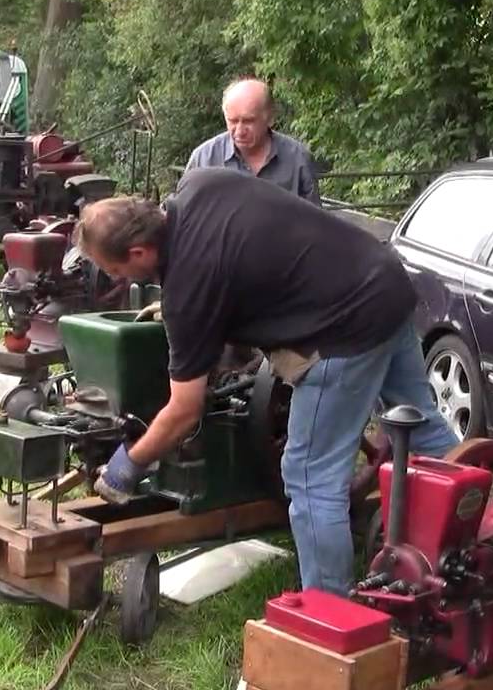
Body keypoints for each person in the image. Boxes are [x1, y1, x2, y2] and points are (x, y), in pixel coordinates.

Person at [75, 168, 459, 596]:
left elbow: (184, 411)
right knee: (422, 425)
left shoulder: (187, 291)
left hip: (342, 331)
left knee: (311, 479)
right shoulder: (203, 184)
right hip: (384, 281)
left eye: (116, 269)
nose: (119, 280)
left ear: (140, 251)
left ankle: (330, 612)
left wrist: (129, 464)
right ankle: (484, 534)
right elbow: (252, 253)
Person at [185, 77, 322, 205]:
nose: (239, 131)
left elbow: (315, 223)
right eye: (232, 121)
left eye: (248, 121)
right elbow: (186, 215)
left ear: (270, 118)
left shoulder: (298, 159)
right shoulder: (203, 159)